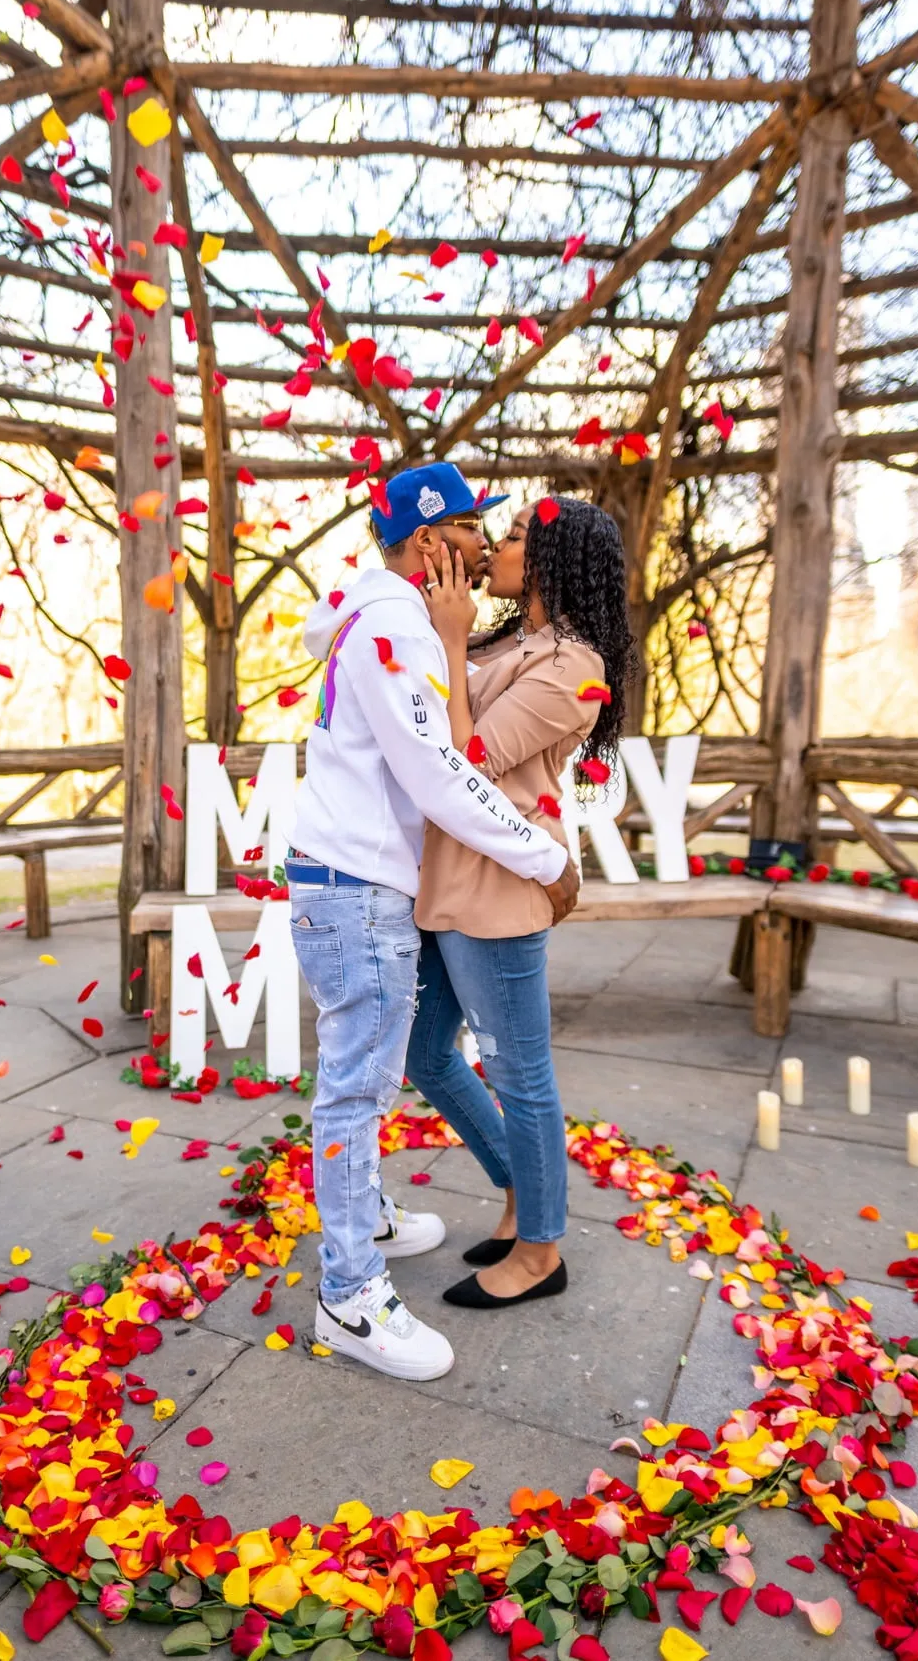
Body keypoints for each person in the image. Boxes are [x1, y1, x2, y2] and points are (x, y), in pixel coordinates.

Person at [288, 463, 581, 1383]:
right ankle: (352, 1292)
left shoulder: (390, 620)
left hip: (365, 883)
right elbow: (440, 768)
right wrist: (544, 856)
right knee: (352, 1088)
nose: (482, 543)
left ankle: (363, 1217)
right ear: (430, 543)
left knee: (374, 1076)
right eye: (469, 530)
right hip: (359, 886)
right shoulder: (389, 625)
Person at [405, 494, 635, 1309]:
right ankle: (521, 1193)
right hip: (448, 877)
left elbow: (469, 756)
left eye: (507, 539)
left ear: (548, 564)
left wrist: (453, 636)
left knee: (518, 1072)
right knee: (425, 1054)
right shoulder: (526, 640)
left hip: (500, 889)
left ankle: (540, 1249)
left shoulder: (577, 664)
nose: (491, 550)